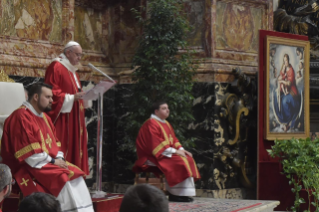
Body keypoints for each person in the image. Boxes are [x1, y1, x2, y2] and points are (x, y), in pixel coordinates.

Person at [1, 83, 94, 212]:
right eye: (48, 97)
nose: (52, 100)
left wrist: (59, 159)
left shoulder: (45, 118)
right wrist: (54, 161)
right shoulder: (21, 117)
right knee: (64, 178)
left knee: (76, 174)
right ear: (35, 97)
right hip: (27, 166)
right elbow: (29, 154)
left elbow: (56, 144)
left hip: (45, 163)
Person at [133, 101, 200, 202]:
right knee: (180, 161)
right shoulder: (151, 123)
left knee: (188, 158)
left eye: (167, 108)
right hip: (152, 155)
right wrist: (175, 152)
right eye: (164, 108)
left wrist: (182, 150)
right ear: (156, 111)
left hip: (164, 152)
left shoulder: (166, 124)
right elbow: (155, 144)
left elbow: (174, 140)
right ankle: (174, 194)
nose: (167, 110)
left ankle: (182, 194)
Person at [44, 41, 90, 174]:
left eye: (81, 55)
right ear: (68, 52)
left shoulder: (72, 70)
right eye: (77, 54)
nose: (79, 58)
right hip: (63, 118)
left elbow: (76, 91)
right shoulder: (56, 66)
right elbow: (50, 92)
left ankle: (77, 176)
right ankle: (64, 177)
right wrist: (71, 98)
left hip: (75, 116)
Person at [273, 54, 300, 132]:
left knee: (284, 101)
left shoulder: (291, 70)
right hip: (286, 90)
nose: (285, 62)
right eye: (284, 61)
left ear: (288, 60)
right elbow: (280, 76)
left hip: (292, 92)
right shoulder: (284, 68)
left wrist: (281, 81)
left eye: (286, 60)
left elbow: (289, 84)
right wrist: (282, 72)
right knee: (278, 98)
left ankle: (288, 119)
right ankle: (283, 118)